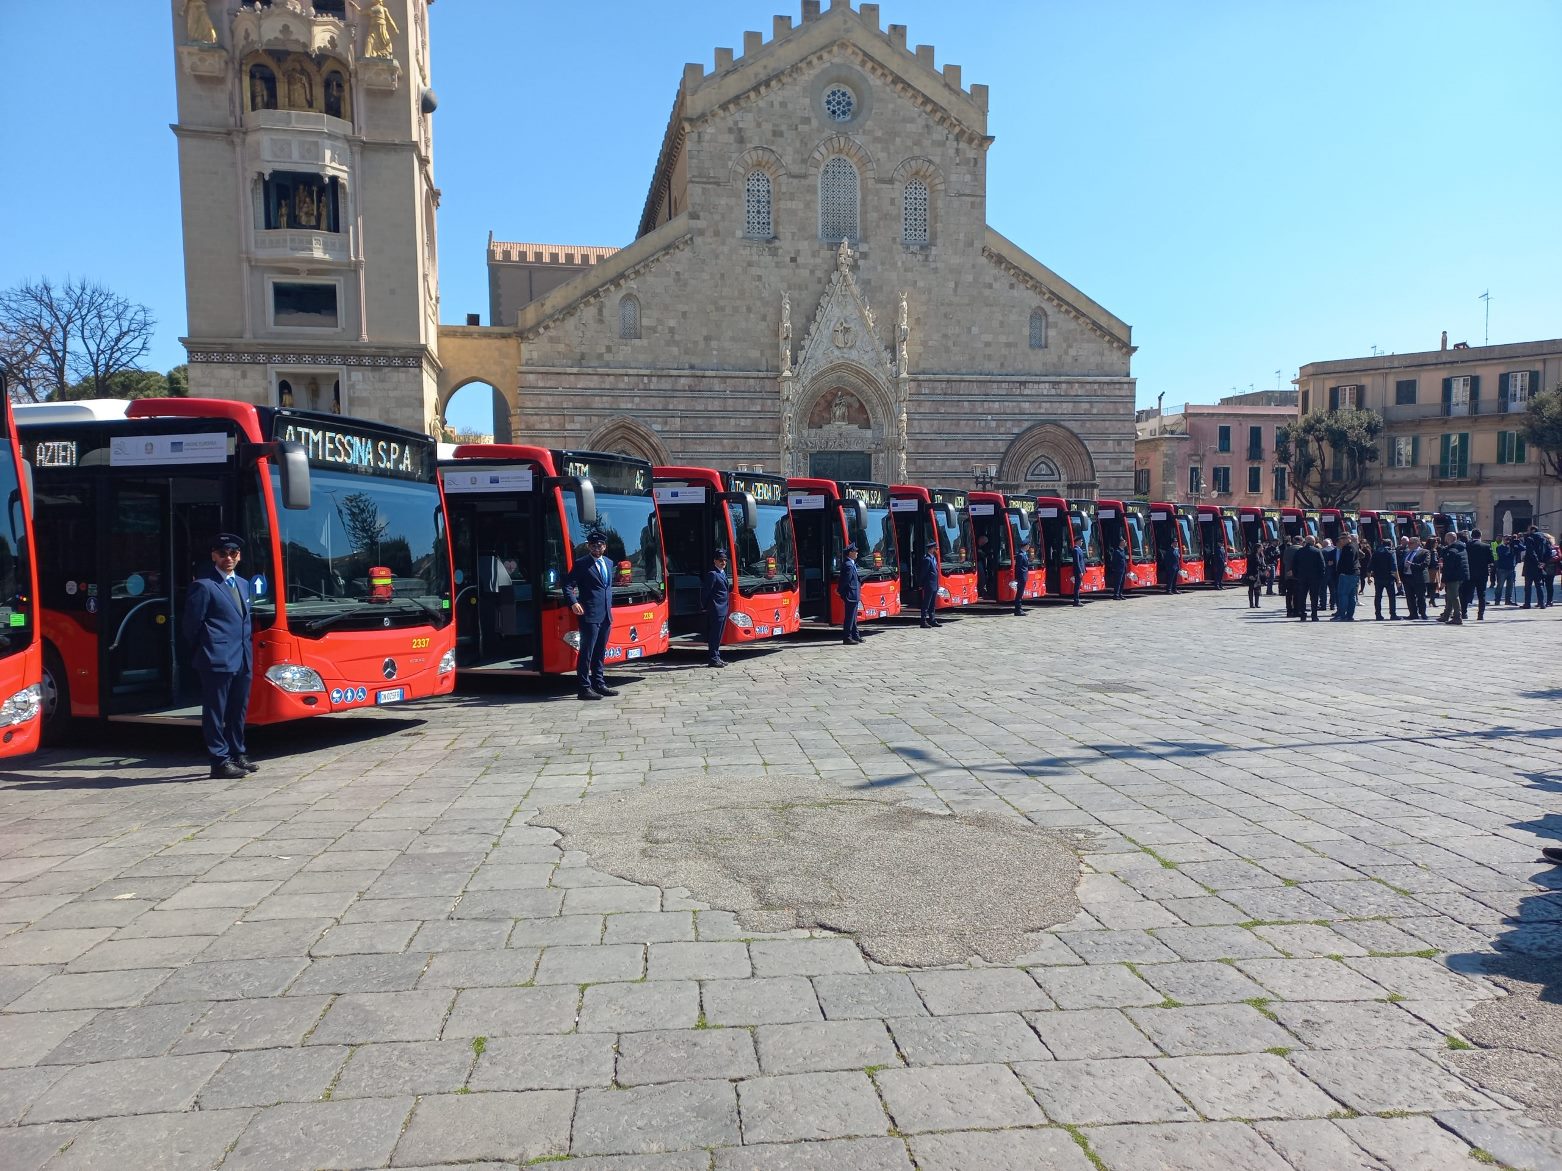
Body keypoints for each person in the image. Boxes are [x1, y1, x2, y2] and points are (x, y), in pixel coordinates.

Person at [181, 534, 258, 779]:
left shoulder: (244, 584)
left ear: (239, 556)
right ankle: (219, 760)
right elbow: (191, 625)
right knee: (216, 710)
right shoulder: (204, 585)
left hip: (243, 656)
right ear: (214, 556)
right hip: (217, 657)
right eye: (223, 553)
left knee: (239, 708)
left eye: (233, 553)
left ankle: (238, 752)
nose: (228, 558)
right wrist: (207, 648)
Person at [564, 530, 616, 699]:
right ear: (588, 546)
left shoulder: (608, 563)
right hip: (590, 614)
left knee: (600, 651)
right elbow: (567, 585)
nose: (596, 548)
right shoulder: (581, 564)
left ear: (604, 546)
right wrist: (574, 602)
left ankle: (599, 683)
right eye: (593, 545)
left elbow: (606, 587)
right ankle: (584, 688)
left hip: (606, 614)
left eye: (599, 545)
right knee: (587, 651)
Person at [701, 548, 731, 667]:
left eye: (724, 560)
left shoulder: (723, 573)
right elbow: (706, 592)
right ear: (715, 561)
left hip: (723, 608)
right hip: (716, 609)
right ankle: (713, 658)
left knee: (719, 635)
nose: (723, 562)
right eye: (720, 560)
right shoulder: (712, 574)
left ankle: (717, 656)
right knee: (714, 635)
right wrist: (704, 606)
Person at [1437, 530, 1468, 625]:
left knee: (1454, 596)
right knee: (1450, 595)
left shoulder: (1451, 551)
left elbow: (1448, 568)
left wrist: (1443, 581)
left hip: (1453, 576)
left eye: (1446, 538)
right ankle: (1446, 615)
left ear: (1448, 539)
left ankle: (1458, 617)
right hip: (1461, 575)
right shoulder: (1461, 547)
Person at [1292, 536, 1325, 621]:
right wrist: (1321, 576)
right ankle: (1314, 615)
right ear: (1313, 542)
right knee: (1314, 597)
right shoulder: (1317, 551)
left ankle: (1303, 615)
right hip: (1315, 578)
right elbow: (1322, 565)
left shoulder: (1299, 551)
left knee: (1302, 597)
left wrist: (1296, 575)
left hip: (1302, 577)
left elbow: (1294, 565)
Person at [1464, 528, 1494, 620]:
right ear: (1480, 536)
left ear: (1471, 536)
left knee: (1466, 593)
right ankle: (1480, 614)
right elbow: (1491, 560)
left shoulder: (1467, 545)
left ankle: (1464, 613)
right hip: (1482, 573)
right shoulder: (1486, 546)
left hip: (1469, 573)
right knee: (1482, 595)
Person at [1369, 539, 1400, 620]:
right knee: (1391, 597)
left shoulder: (1376, 552)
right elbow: (1394, 566)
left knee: (1378, 596)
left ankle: (1378, 614)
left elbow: (1370, 566)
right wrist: (1398, 579)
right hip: (1389, 578)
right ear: (1390, 544)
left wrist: (1369, 577)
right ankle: (1393, 614)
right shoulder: (1391, 552)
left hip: (1378, 577)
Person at [1401, 536, 1430, 620]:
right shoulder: (1407, 552)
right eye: (1408, 543)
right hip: (1407, 577)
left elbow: (1425, 564)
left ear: (1417, 543)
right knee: (1409, 597)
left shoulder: (1424, 552)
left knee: (1420, 597)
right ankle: (1413, 614)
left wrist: (1412, 564)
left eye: (1411, 543)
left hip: (1419, 578)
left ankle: (1423, 613)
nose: (1409, 545)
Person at [839, 543, 863, 642]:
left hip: (854, 594)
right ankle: (847, 637)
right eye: (855, 551)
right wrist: (840, 591)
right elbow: (845, 581)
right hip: (850, 594)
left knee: (854, 617)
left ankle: (855, 635)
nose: (857, 553)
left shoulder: (852, 564)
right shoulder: (848, 565)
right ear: (850, 553)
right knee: (849, 617)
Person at [1332, 535, 1359, 620]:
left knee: (1343, 595)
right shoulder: (1355, 545)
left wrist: (1341, 571)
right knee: (1352, 595)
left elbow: (1347, 561)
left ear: (1347, 539)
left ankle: (1341, 615)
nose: (1341, 542)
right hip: (1355, 573)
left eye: (1342, 539)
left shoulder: (1347, 548)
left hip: (1346, 574)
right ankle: (1350, 615)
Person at [916, 544, 940, 627]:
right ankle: (923, 621)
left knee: (932, 604)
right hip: (929, 584)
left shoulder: (933, 558)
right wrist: (921, 584)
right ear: (932, 549)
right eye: (935, 548)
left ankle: (932, 620)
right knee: (926, 603)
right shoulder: (927, 559)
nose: (936, 550)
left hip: (934, 584)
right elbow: (924, 573)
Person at [1280, 535, 1301, 616]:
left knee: (1289, 593)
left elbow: (1284, 561)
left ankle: (1289, 610)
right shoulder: (1300, 549)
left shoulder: (1287, 550)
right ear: (1300, 541)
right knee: (1297, 593)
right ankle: (1296, 610)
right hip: (1297, 575)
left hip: (1288, 574)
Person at [1495, 536, 1518, 605]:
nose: (1508, 541)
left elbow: (1522, 548)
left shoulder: (1512, 547)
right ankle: (1497, 600)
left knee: (1510, 586)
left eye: (1509, 539)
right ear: (1503, 540)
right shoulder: (1500, 547)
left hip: (1511, 569)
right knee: (1500, 585)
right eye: (1506, 539)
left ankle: (1508, 600)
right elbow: (1503, 555)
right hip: (1502, 569)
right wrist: (1508, 548)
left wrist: (1515, 543)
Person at [1012, 540, 1031, 614]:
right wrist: (1017, 578)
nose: (1028, 547)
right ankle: (1018, 609)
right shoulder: (1020, 555)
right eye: (1028, 545)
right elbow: (1018, 567)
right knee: (1019, 593)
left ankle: (1019, 608)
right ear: (1025, 546)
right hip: (1021, 577)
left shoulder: (1024, 554)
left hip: (1023, 576)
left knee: (1021, 593)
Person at [1244, 543, 1263, 609]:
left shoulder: (1260, 555)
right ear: (1257, 548)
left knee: (1257, 589)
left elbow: (1261, 564)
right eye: (1261, 547)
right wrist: (1250, 575)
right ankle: (1251, 604)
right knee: (1251, 589)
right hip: (1252, 573)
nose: (1262, 549)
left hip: (1258, 573)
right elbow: (1250, 566)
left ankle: (1257, 603)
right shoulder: (1252, 555)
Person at [1321, 538, 1337, 610]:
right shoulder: (1335, 550)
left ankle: (1323, 605)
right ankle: (1332, 605)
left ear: (1324, 544)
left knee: (1323, 590)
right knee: (1333, 590)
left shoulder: (1322, 551)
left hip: (1324, 573)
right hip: (1333, 573)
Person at [1070, 538, 1087, 605]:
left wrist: (1084, 569)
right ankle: (1076, 600)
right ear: (1077, 541)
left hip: (1081, 570)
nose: (1082, 542)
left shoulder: (1080, 549)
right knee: (1077, 586)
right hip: (1078, 571)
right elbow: (1077, 562)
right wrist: (1080, 571)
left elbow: (1082, 561)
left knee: (1078, 585)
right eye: (1081, 541)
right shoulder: (1076, 550)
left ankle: (1077, 599)